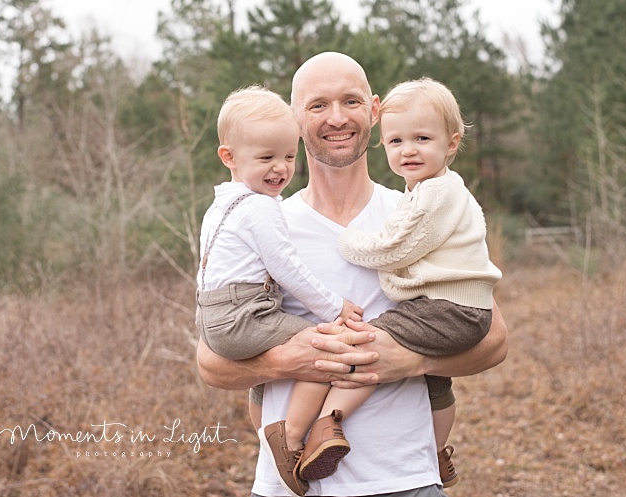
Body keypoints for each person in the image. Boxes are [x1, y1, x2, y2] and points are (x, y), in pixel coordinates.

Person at [196, 52, 509, 497]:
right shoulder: (261, 221)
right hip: (288, 487)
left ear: (375, 110)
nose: (337, 118)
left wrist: (414, 361)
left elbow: (494, 338)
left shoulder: (416, 213)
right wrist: (297, 358)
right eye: (318, 105)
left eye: (352, 101)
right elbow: (210, 362)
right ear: (296, 118)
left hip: (405, 480)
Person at [196, 85, 379, 497]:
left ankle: (264, 426)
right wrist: (335, 310)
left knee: (272, 355)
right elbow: (288, 270)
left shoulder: (221, 205)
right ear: (229, 157)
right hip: (245, 312)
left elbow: (208, 268)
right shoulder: (262, 207)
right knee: (327, 346)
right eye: (266, 158)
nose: (280, 168)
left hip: (213, 313)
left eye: (289, 156)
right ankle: (292, 438)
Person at [337, 77, 503, 487]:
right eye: (395, 141)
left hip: (451, 307)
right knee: (436, 384)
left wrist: (348, 241)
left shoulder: (436, 192)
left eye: (422, 138)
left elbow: (395, 248)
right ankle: (438, 453)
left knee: (366, 341)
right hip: (451, 305)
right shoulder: (420, 192)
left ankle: (327, 424)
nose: (407, 149)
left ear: (451, 143)